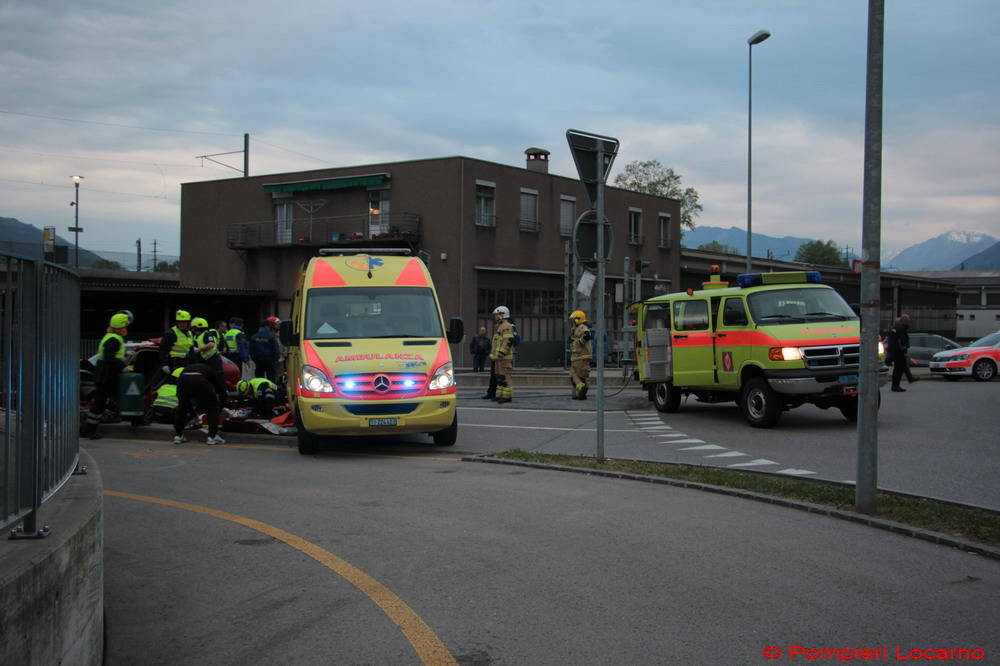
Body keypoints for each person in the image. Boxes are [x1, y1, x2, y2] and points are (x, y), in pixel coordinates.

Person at [82, 312, 131, 439]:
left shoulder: (111, 337)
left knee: (101, 402)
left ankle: (89, 430)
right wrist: (122, 366)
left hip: (105, 373)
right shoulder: (114, 339)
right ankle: (89, 430)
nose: (126, 329)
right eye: (124, 327)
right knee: (99, 403)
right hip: (107, 374)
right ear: (119, 328)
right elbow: (109, 357)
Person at [173, 362, 226, 445]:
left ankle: (178, 436)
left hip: (182, 380)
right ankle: (212, 437)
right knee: (212, 407)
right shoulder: (210, 370)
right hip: (198, 380)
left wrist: (193, 413)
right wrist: (221, 403)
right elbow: (219, 388)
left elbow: (189, 398)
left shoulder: (189, 367)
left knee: (182, 407)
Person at [190, 317, 227, 404]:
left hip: (213, 360)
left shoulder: (207, 334)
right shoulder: (196, 336)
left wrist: (199, 349)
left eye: (193, 327)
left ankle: (224, 403)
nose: (192, 329)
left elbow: (211, 344)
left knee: (219, 382)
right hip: (204, 362)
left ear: (196, 327)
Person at [489, 305, 516, 404]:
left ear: (502, 315)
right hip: (498, 358)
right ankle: (501, 395)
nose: (495, 317)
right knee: (500, 377)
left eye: (497, 315)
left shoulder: (507, 326)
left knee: (505, 376)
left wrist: (501, 353)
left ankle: (507, 396)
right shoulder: (500, 326)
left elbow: (508, 341)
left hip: (504, 357)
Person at [568, 310, 593, 400]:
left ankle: (581, 391)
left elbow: (587, 335)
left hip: (581, 357)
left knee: (578, 375)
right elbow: (572, 339)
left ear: (578, 319)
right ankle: (582, 393)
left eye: (574, 320)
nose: (572, 322)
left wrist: (580, 342)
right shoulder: (576, 329)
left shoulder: (582, 327)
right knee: (578, 375)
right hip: (578, 357)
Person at [887, 314, 914, 392]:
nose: (909, 322)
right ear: (905, 321)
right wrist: (905, 352)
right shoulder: (901, 329)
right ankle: (896, 386)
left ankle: (895, 385)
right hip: (899, 352)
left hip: (896, 351)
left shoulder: (896, 328)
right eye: (908, 321)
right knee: (899, 369)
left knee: (898, 369)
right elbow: (901, 341)